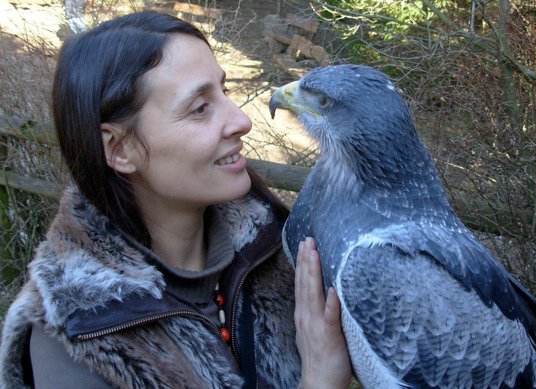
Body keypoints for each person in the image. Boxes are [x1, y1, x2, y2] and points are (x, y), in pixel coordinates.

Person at [0, 11, 352, 388]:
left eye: (224, 90)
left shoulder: (282, 251)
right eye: (200, 108)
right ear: (120, 149)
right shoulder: (76, 340)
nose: (241, 120)